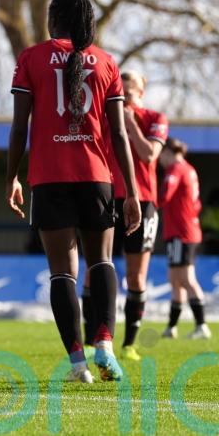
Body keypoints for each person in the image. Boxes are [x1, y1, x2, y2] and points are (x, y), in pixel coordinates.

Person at [6, 0, 141, 384]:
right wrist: (131, 191)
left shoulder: (31, 58)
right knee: (101, 262)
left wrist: (11, 176)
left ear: (53, 20)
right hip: (97, 177)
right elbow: (118, 133)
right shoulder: (107, 62)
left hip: (49, 178)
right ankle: (105, 344)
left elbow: (20, 127)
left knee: (62, 274)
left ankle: (78, 364)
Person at [81, 70, 168, 361]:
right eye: (121, 92)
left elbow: (149, 154)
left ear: (141, 93)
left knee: (136, 276)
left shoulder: (155, 119)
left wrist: (130, 123)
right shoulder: (107, 119)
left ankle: (129, 344)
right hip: (107, 199)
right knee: (95, 268)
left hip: (143, 203)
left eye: (130, 92)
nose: (125, 97)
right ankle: (90, 337)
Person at [159, 138, 211, 340]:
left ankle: (201, 325)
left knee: (186, 279)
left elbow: (163, 196)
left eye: (161, 154)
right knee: (175, 279)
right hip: (185, 230)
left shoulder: (175, 170)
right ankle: (172, 327)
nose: (160, 159)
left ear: (167, 152)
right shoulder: (189, 169)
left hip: (182, 232)